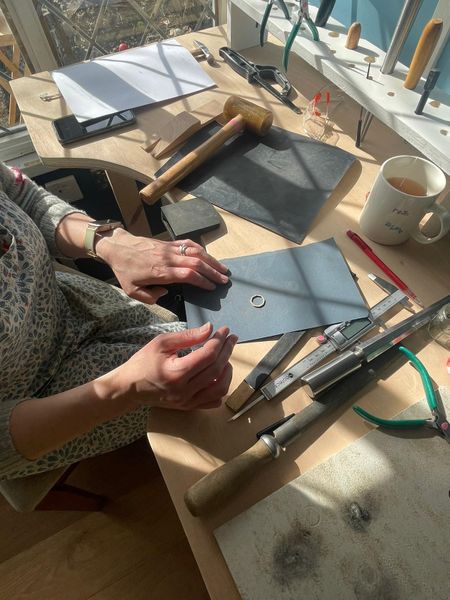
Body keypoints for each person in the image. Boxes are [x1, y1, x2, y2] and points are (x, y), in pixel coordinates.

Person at [0, 162, 237, 480]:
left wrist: (108, 243)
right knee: (219, 381)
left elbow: (22, 195)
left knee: (218, 351)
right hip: (43, 399)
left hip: (71, 306)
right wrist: (125, 389)